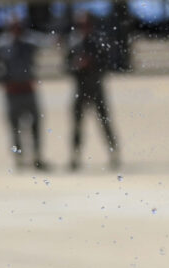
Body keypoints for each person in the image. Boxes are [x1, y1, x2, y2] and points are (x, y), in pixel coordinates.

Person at [0, 15, 49, 171]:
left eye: (19, 27)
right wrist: (2, 80)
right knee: (14, 127)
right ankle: (19, 158)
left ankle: (37, 157)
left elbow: (46, 42)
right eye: (13, 27)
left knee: (35, 125)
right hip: (12, 92)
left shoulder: (29, 42)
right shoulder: (1, 45)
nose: (16, 30)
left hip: (28, 90)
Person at [65, 11, 120, 171]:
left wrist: (93, 63)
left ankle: (114, 154)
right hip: (80, 89)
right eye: (81, 25)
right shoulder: (73, 42)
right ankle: (74, 157)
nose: (83, 28)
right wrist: (77, 66)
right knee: (77, 125)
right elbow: (65, 66)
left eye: (86, 24)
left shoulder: (99, 41)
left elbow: (108, 63)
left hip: (96, 88)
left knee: (105, 123)